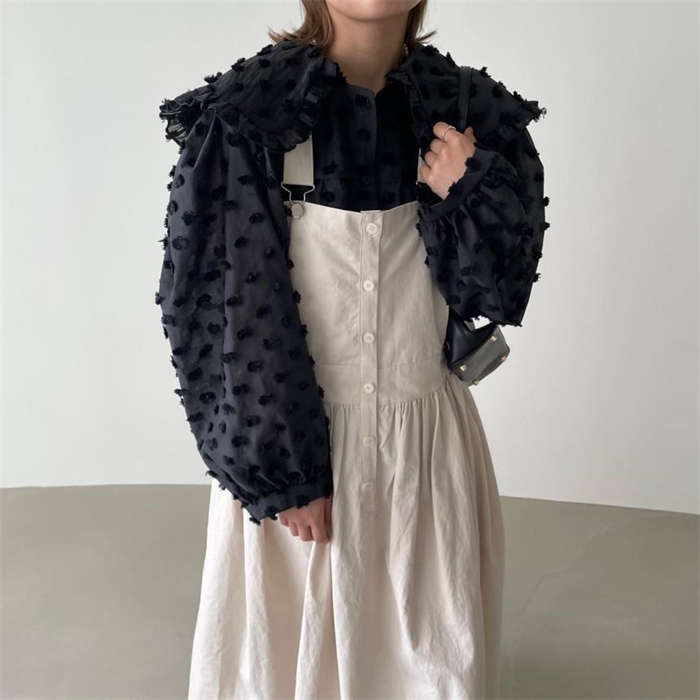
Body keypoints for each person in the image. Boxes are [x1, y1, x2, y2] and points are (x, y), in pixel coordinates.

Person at [156, 1, 548, 697]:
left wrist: (467, 190)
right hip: (298, 445)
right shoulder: (250, 117)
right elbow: (222, 306)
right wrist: (284, 476)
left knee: (431, 654)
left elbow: (495, 293)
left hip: (428, 448)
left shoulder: (465, 111)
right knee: (292, 655)